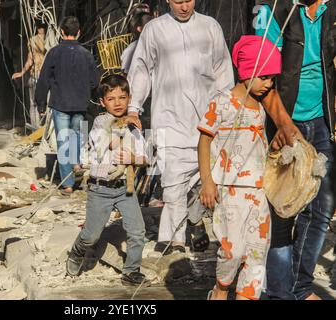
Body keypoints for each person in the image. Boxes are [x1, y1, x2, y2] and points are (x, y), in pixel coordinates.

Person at [127, 0, 234, 253]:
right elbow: (141, 68)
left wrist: (227, 111)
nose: (184, 7)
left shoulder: (211, 27)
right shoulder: (154, 29)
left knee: (205, 177)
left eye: (188, 0)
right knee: (173, 179)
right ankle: (172, 240)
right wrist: (134, 108)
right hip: (169, 116)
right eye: (178, 1)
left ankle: (194, 220)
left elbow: (223, 71)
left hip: (206, 120)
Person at [255, 0, 335, 300]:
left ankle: (300, 288)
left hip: (322, 121)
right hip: (284, 122)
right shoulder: (274, 10)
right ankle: (279, 292)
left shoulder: (330, 10)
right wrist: (284, 125)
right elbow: (261, 77)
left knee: (321, 210)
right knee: (282, 210)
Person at [199, 35, 281, 300]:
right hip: (228, 190)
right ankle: (221, 287)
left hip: (259, 191)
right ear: (247, 72)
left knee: (258, 249)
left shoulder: (262, 106)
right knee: (231, 251)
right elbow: (204, 141)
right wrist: (207, 181)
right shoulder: (221, 102)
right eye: (264, 77)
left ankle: (248, 295)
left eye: (272, 78)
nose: (269, 84)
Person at [66, 74, 150, 287]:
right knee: (91, 235)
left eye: (122, 98)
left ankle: (131, 272)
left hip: (125, 189)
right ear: (103, 102)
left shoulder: (134, 128)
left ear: (129, 98)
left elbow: (145, 158)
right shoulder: (100, 122)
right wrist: (126, 121)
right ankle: (77, 251)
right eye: (111, 99)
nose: (118, 103)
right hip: (100, 189)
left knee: (137, 231)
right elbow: (111, 142)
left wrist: (134, 158)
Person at [36, 16, 99, 194]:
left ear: (62, 32)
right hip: (80, 104)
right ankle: (76, 163)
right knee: (76, 136)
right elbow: (95, 82)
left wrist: (41, 104)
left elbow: (43, 81)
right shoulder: (86, 54)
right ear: (79, 32)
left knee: (63, 140)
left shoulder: (54, 53)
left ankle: (68, 184)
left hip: (60, 104)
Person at [13, 22, 48, 128]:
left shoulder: (33, 40)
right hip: (43, 76)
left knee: (33, 104)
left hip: (37, 76)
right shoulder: (52, 40)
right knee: (42, 104)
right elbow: (30, 59)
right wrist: (22, 73)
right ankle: (41, 129)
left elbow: (29, 60)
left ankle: (36, 129)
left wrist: (22, 72)